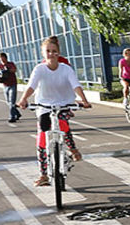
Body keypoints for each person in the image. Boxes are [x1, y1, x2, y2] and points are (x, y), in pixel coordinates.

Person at [18, 36, 92, 186]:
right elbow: (31, 86)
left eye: (54, 51)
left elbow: (75, 85)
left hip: (64, 104)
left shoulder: (66, 69)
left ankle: (72, 148)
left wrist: (84, 100)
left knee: (63, 124)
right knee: (42, 137)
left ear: (59, 53)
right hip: (44, 106)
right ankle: (43, 174)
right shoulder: (39, 69)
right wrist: (24, 99)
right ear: (43, 54)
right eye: (48, 51)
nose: (51, 54)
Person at [0, 53, 20, 123]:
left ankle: (12, 117)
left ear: (5, 57)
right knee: (8, 101)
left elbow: (14, 70)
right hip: (5, 85)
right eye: (0, 58)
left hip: (13, 84)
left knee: (12, 102)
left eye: (2, 57)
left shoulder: (10, 64)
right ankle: (17, 113)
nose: (1, 59)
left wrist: (7, 70)